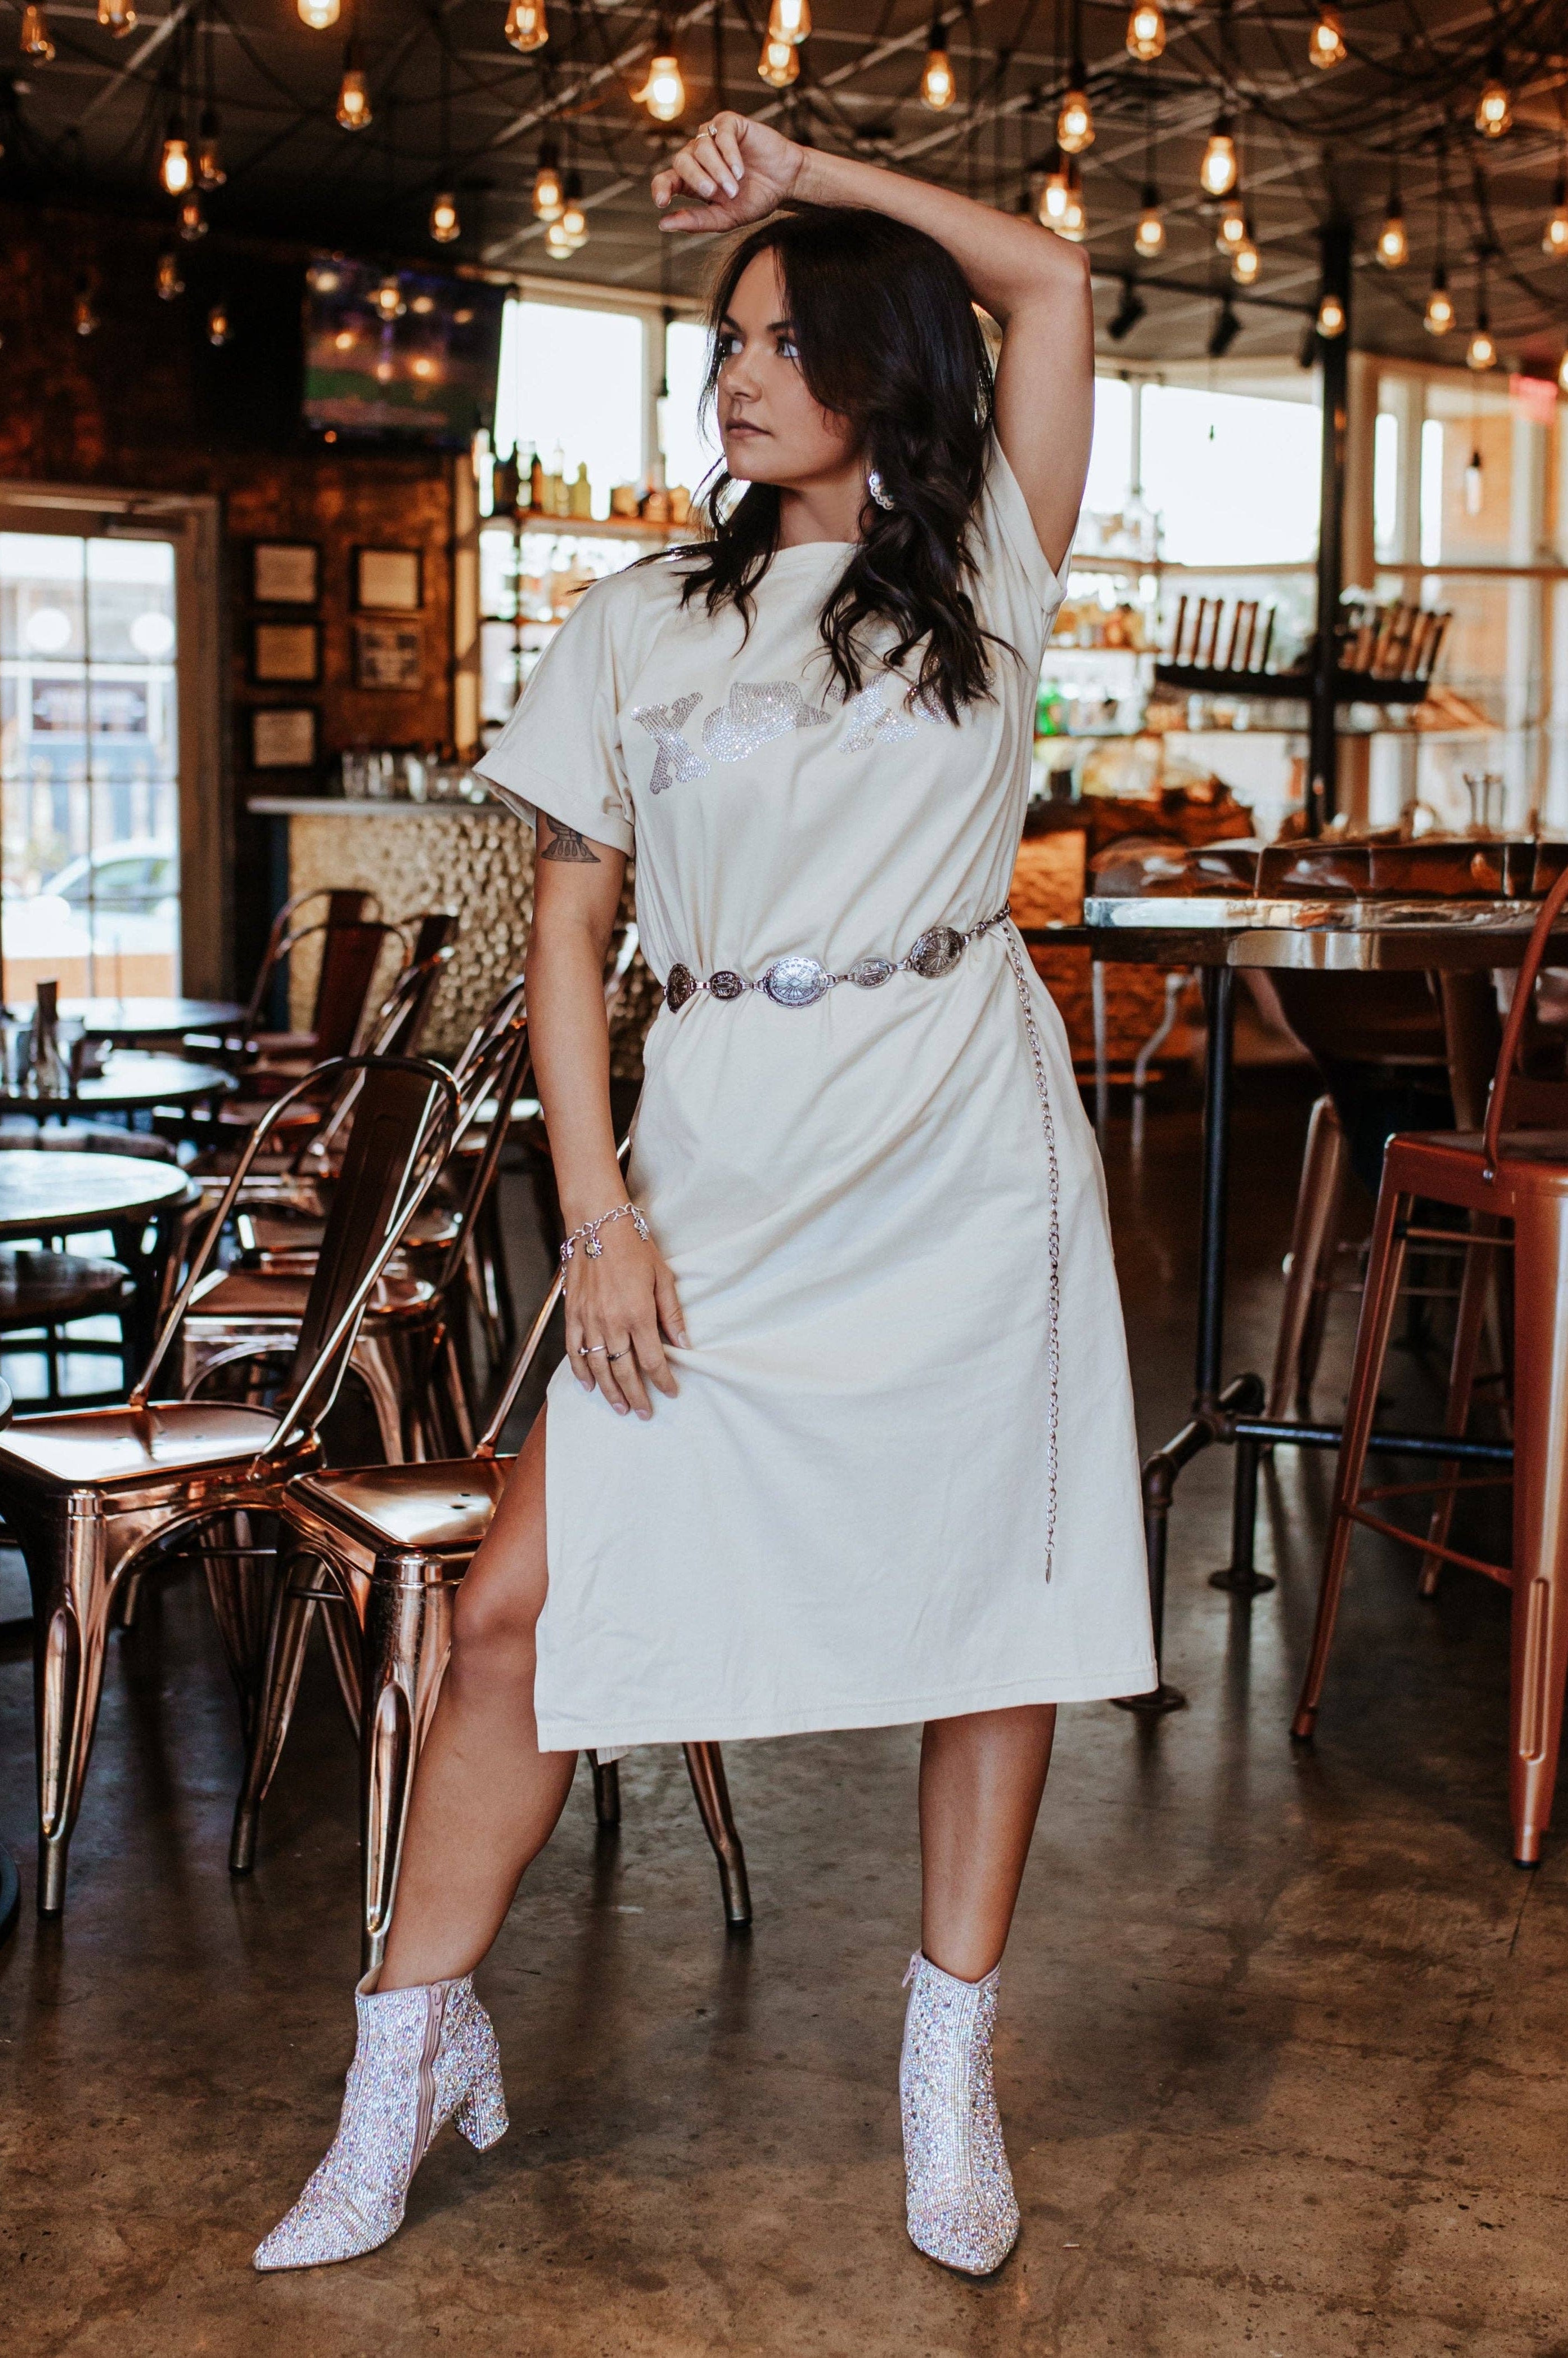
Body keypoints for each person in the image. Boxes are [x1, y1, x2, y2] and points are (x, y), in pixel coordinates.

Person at [254, 111, 1155, 2282]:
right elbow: (567, 934)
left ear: (875, 359)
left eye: (777, 336)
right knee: (514, 1611)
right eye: (721, 342)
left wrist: (814, 174)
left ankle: (948, 2075)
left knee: (990, 1619)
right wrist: (602, 1208)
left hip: (960, 1143)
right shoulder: (638, 616)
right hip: (722, 1166)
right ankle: (407, 2053)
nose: (733, 373)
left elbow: (1054, 279)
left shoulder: (990, 571)